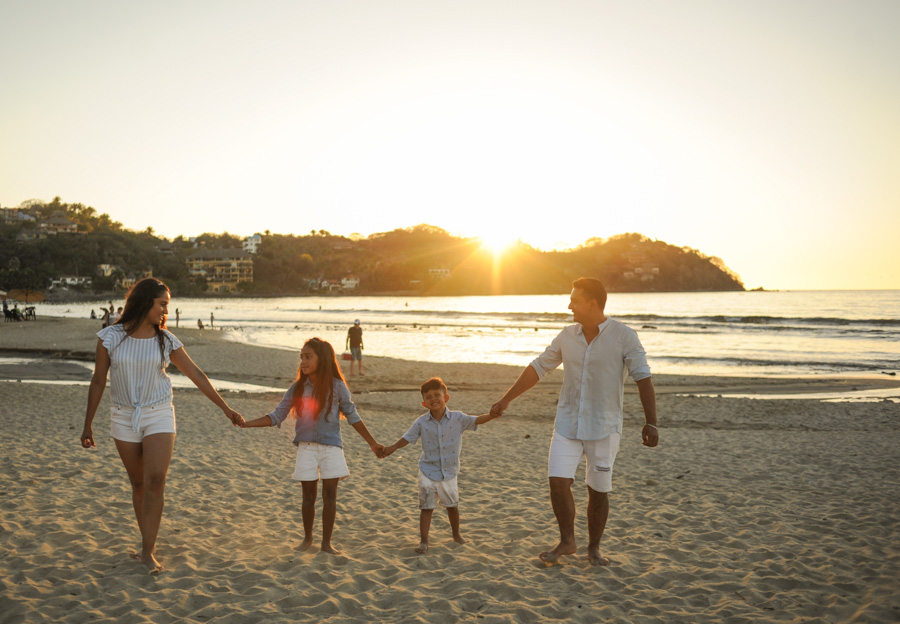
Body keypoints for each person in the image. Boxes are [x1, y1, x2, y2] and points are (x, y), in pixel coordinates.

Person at [80, 278, 245, 573]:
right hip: (123, 415)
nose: (166, 310)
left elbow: (196, 374)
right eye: (162, 304)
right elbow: (97, 381)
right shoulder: (110, 337)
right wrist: (87, 425)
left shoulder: (165, 340)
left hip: (159, 413)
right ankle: (147, 542)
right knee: (139, 485)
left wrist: (225, 407)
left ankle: (148, 552)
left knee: (156, 480)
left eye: (167, 305)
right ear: (145, 302)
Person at [490, 277, 658, 567]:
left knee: (598, 490)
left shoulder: (624, 336)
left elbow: (643, 377)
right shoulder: (567, 335)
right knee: (558, 482)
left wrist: (651, 421)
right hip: (567, 423)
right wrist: (507, 399)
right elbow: (539, 367)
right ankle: (568, 540)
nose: (569, 306)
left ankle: (594, 548)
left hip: (604, 427)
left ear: (592, 303)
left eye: (574, 300)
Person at [240, 337, 383, 555]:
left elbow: (353, 416)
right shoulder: (297, 388)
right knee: (308, 497)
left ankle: (326, 543)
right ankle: (308, 538)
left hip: (332, 447)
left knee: (330, 496)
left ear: (322, 359)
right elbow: (277, 415)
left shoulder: (337, 387)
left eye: (308, 357)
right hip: (306, 447)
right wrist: (247, 424)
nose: (303, 362)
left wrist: (373, 443)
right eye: (301, 357)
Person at [381, 377, 499, 554]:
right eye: (428, 397)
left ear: (446, 398)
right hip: (427, 470)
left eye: (437, 395)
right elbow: (407, 438)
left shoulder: (458, 418)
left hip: (449, 472)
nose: (433, 399)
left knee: (452, 505)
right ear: (424, 403)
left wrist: (491, 415)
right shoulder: (421, 422)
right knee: (426, 506)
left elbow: (476, 420)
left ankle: (456, 534)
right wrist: (391, 448)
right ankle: (424, 541)